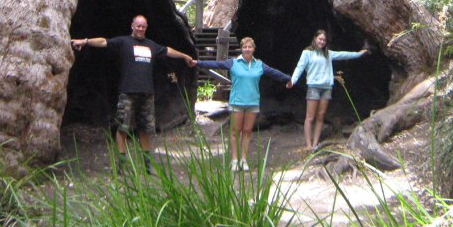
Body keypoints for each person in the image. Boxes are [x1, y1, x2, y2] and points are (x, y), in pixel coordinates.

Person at [72, 14, 194, 172]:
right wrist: (86, 41)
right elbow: (103, 42)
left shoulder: (151, 45)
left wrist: (184, 56)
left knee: (145, 129)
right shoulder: (124, 42)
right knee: (123, 127)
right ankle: (122, 163)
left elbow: (168, 51)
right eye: (138, 26)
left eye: (143, 26)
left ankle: (147, 163)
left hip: (147, 93)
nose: (140, 29)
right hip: (128, 92)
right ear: (132, 26)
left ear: (146, 28)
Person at [194, 37, 291, 172]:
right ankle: (234, 160)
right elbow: (216, 64)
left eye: (249, 47)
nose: (247, 49)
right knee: (235, 131)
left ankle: (243, 159)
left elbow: (274, 73)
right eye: (245, 47)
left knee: (247, 131)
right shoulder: (233, 63)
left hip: (252, 103)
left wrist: (288, 79)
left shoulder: (259, 65)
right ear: (241, 48)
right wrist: (197, 62)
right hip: (237, 102)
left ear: (253, 49)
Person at [287, 29, 369, 152]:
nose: (322, 42)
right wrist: (292, 80)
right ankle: (308, 144)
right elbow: (300, 67)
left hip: (326, 87)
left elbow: (343, 54)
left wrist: (358, 54)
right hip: (313, 86)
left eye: (324, 40)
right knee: (310, 117)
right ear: (315, 39)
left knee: (320, 116)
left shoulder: (328, 54)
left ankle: (315, 144)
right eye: (320, 39)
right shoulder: (307, 52)